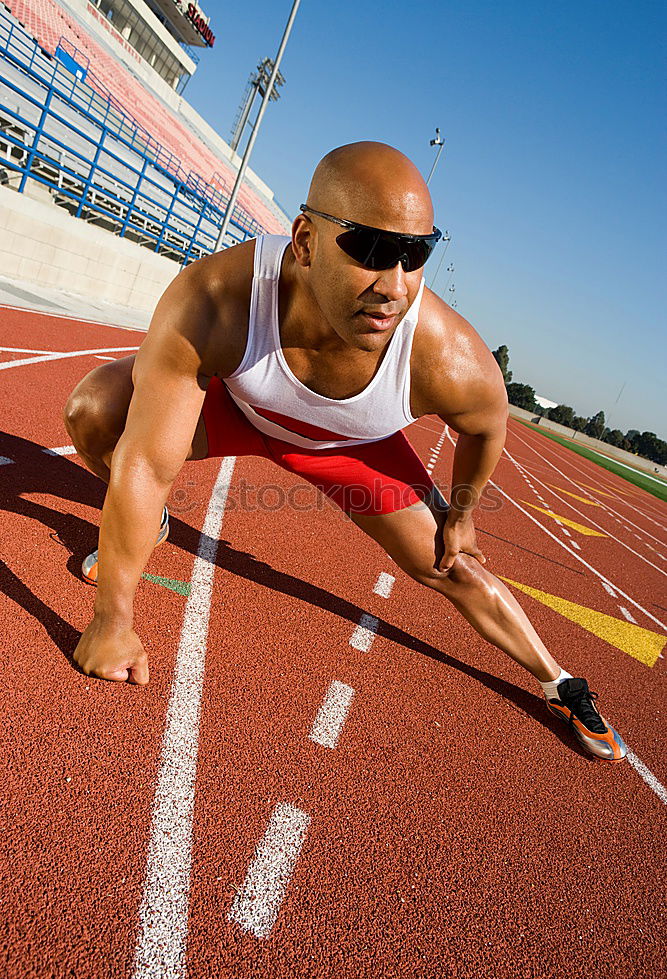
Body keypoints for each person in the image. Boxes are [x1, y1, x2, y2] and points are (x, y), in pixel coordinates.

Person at [63, 141, 626, 761]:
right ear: (303, 242)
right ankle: (152, 529)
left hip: (345, 446)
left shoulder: (446, 356)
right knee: (93, 415)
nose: (394, 286)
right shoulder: (218, 299)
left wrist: (462, 515)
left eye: (415, 256)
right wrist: (113, 620)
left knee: (449, 565)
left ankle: (561, 685)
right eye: (371, 250)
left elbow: (487, 427)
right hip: (238, 408)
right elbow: (144, 463)